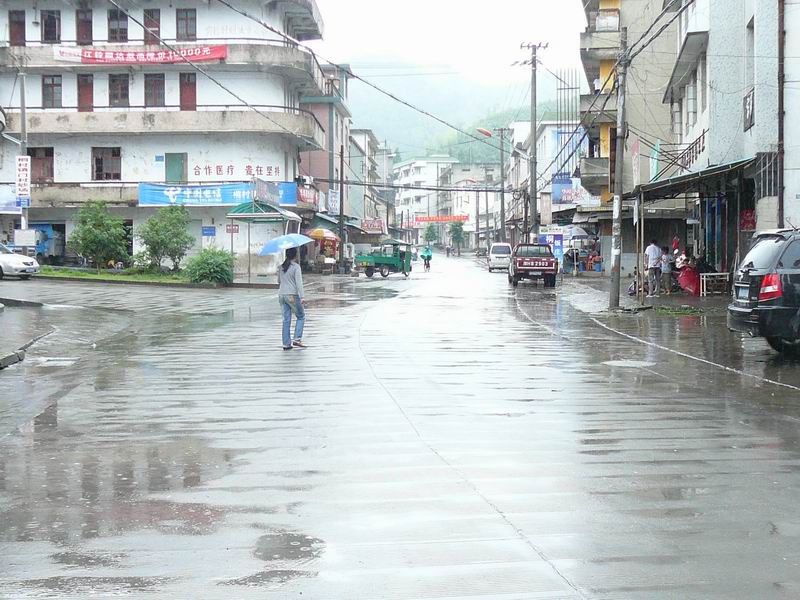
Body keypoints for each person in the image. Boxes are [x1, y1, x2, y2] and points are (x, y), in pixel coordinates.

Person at [278, 247, 306, 350]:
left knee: (286, 320)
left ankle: (286, 343)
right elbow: (299, 283)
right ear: (295, 255)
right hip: (292, 295)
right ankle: (297, 339)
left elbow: (278, 281)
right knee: (301, 316)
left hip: (281, 295)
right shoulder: (296, 267)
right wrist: (302, 296)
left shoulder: (281, 267)